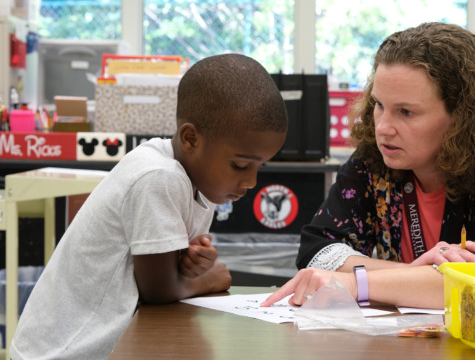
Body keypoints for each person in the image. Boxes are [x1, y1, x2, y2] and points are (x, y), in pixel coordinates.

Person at [262, 22, 475, 310]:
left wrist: (357, 284)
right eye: (380, 105)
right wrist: (411, 274)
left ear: (463, 116)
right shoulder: (375, 158)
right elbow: (318, 250)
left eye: (406, 112)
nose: (383, 127)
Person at [10, 53, 288, 360]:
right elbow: (158, 290)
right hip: (60, 353)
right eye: (239, 165)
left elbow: (172, 274)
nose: (251, 181)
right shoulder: (159, 177)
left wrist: (192, 263)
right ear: (191, 138)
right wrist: (210, 277)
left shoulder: (195, 181)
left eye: (259, 166)